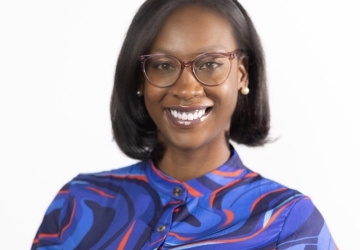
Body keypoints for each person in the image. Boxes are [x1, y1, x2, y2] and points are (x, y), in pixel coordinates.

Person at [32, 0, 337, 249]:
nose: (187, 89)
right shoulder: (78, 202)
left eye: (210, 64)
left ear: (242, 75)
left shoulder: (288, 221)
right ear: (140, 79)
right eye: (163, 66)